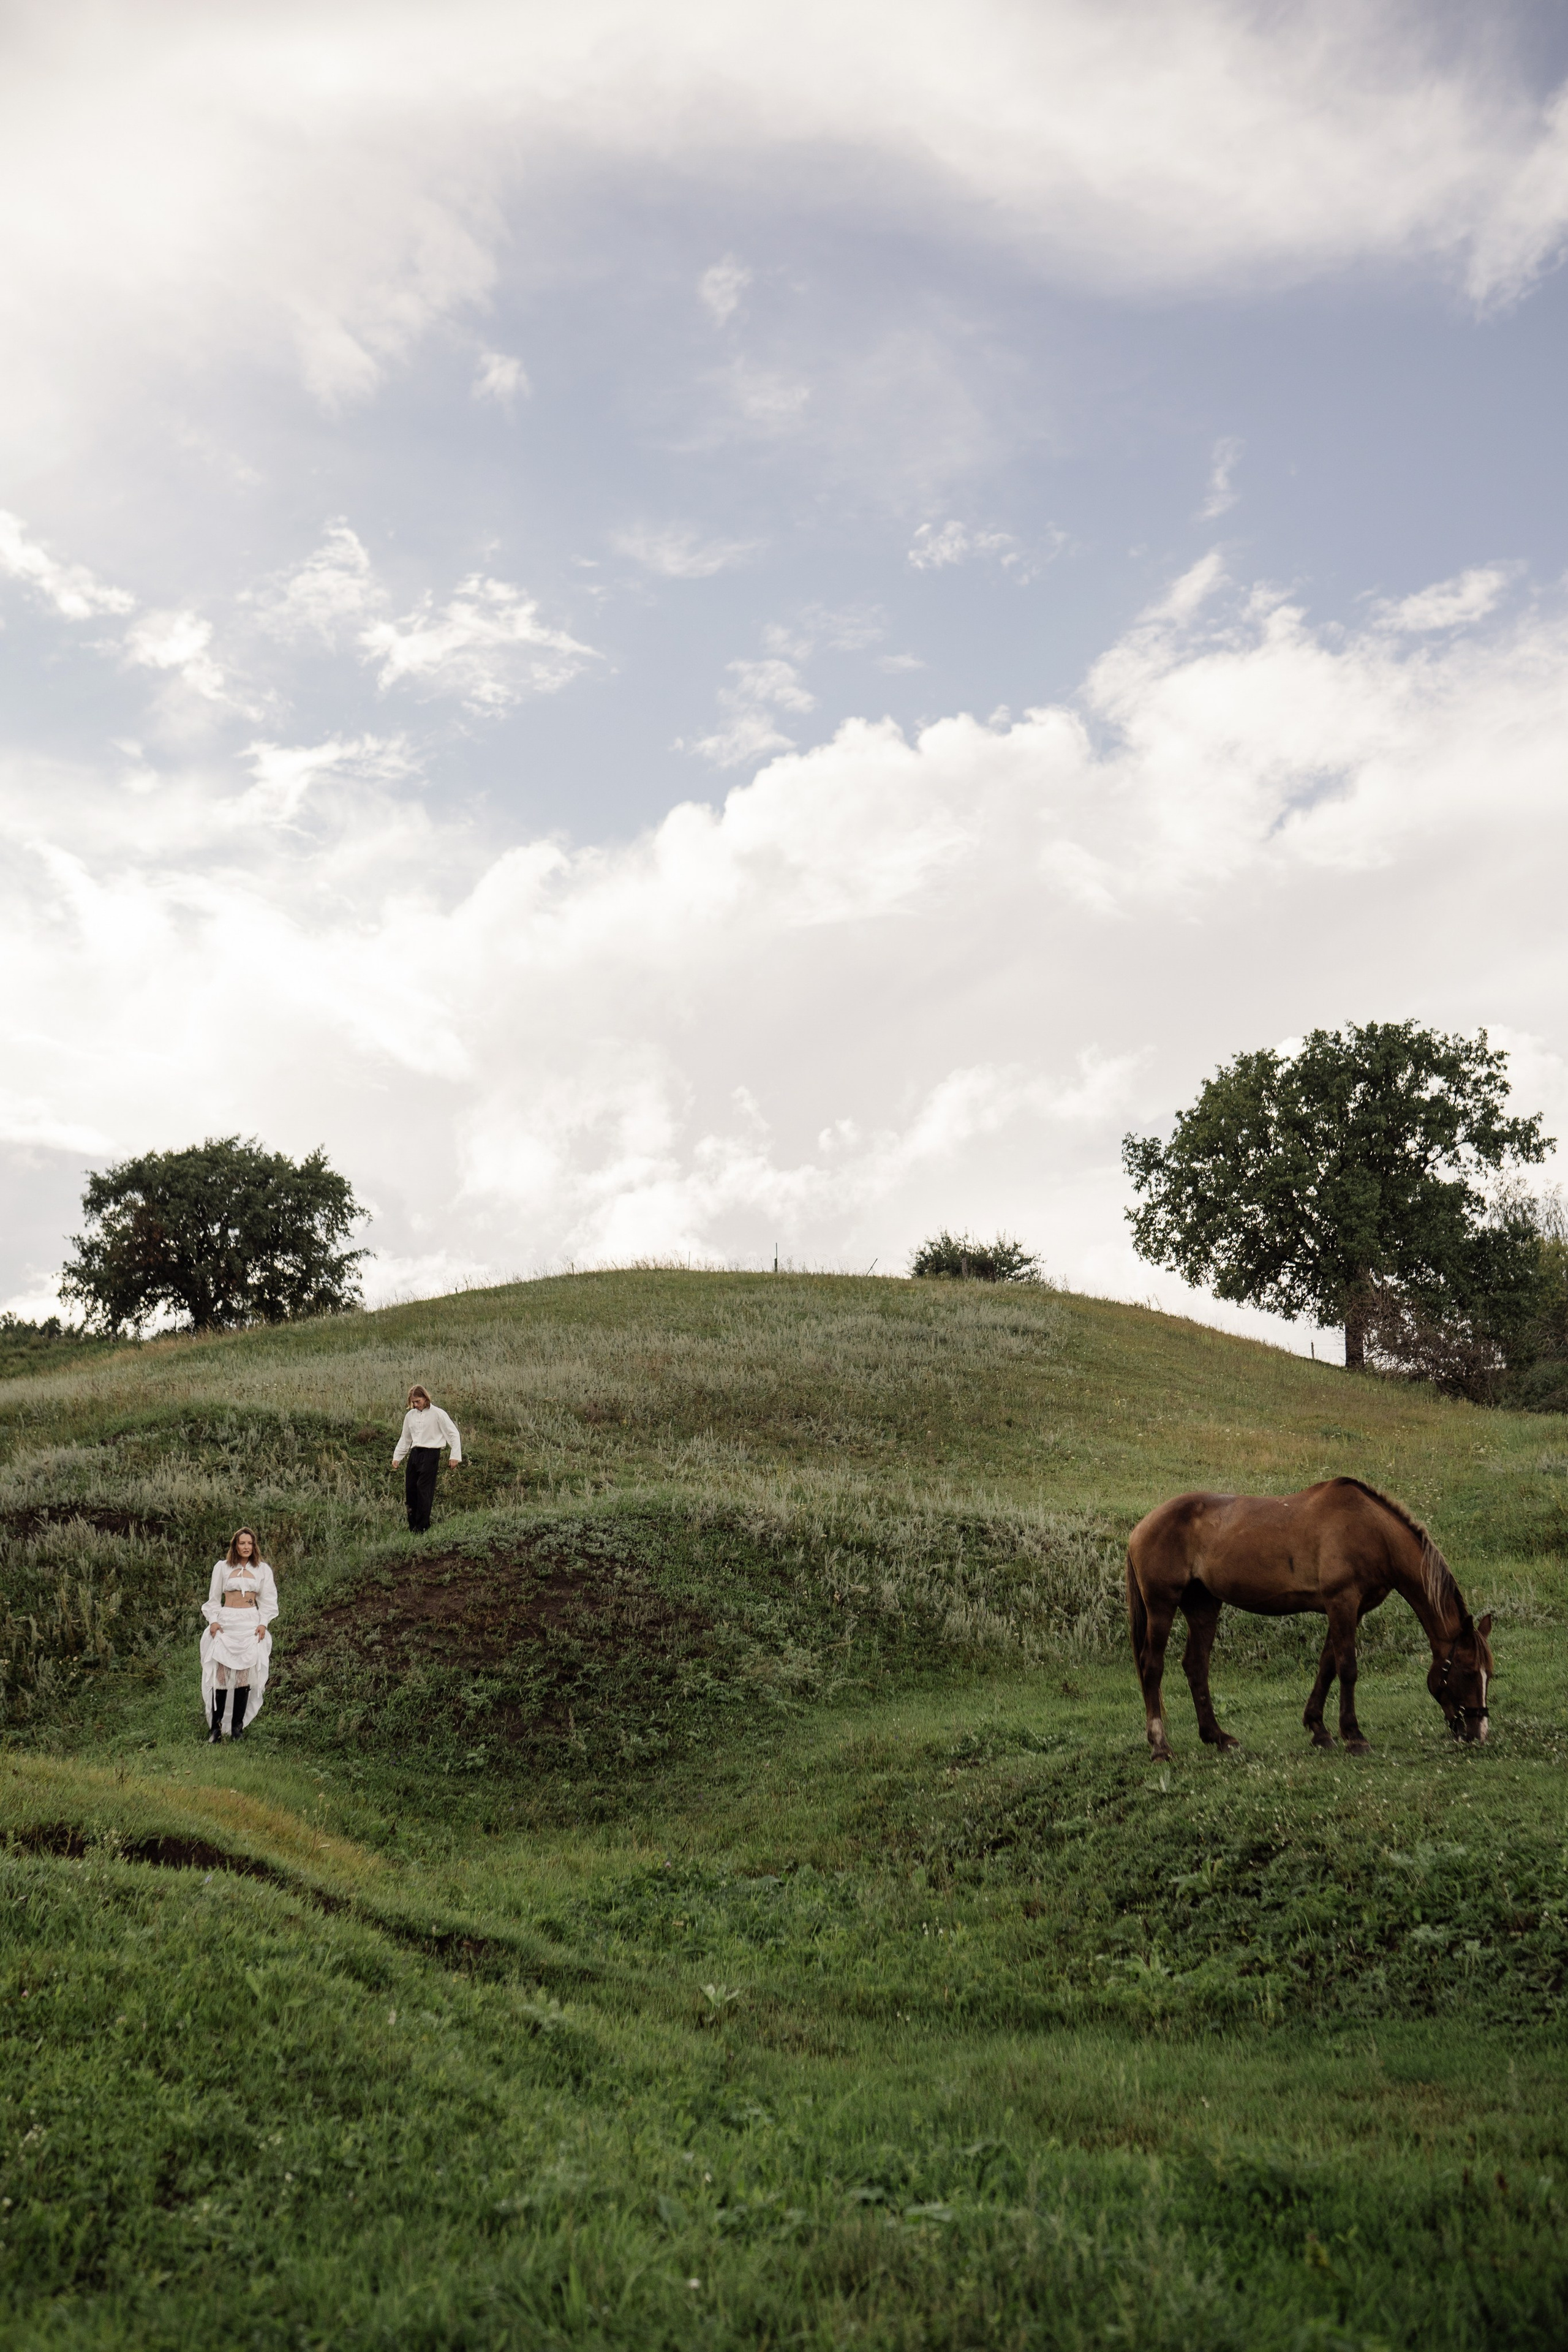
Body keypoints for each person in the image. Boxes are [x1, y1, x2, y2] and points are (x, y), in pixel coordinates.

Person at [201, 1528, 278, 1743]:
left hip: (249, 1625)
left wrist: (263, 1623)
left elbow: (269, 1601)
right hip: (227, 1624)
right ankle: (215, 1729)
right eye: (242, 1543)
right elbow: (214, 1599)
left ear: (254, 1546)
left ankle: (237, 1729)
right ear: (235, 1545)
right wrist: (213, 1620)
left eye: (250, 1544)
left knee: (245, 1678)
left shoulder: (262, 1570)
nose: (246, 1547)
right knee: (222, 1677)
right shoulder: (223, 1568)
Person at [391, 1385, 462, 1532]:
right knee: (410, 1489)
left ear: (425, 1398)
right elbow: (405, 1438)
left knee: (423, 1489)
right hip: (415, 1454)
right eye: (413, 1402)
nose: (416, 1405)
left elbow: (453, 1434)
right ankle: (413, 1527)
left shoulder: (438, 1414)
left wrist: (454, 1456)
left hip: (431, 1454)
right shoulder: (410, 1416)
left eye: (418, 1401)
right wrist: (397, 1457)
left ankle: (422, 1527)